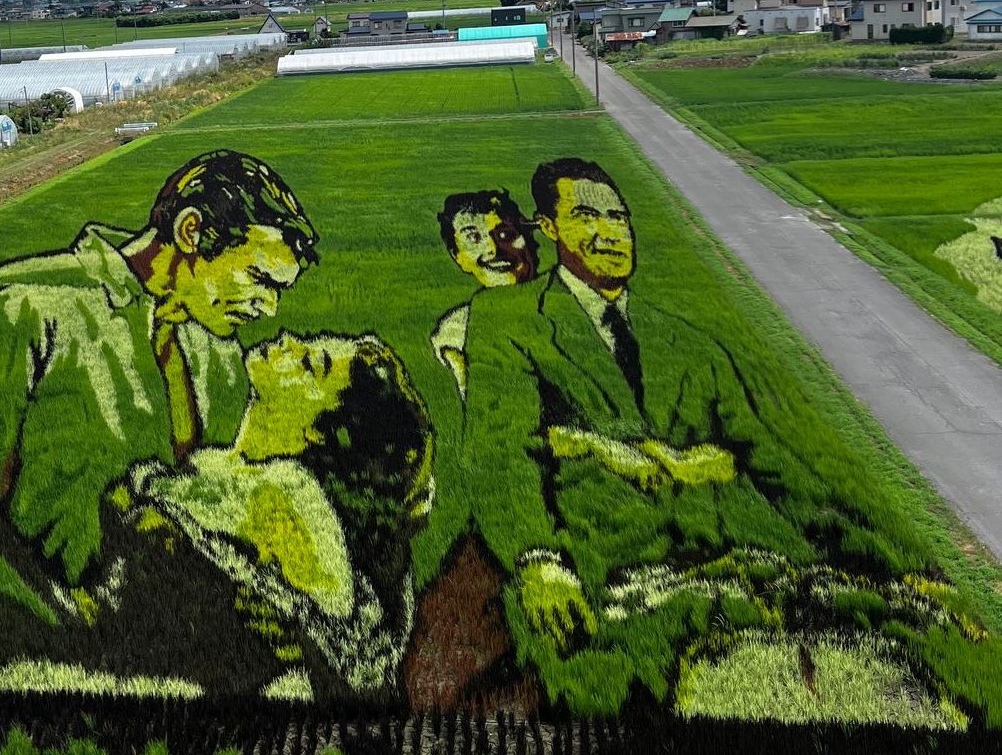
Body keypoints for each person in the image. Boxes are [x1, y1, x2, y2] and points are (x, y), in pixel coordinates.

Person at [457, 154, 924, 711]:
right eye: (588, 216)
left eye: (620, 218)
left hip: (726, 573)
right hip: (605, 579)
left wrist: (894, 564)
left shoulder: (690, 343)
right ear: (550, 228)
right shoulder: (509, 319)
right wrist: (540, 562)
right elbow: (499, 450)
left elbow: (782, 468)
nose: (611, 233)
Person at [0, 150, 318, 586]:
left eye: (279, 291)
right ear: (191, 232)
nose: (269, 307)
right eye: (260, 279)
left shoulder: (220, 358)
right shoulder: (22, 309)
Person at [100, 330, 435, 698]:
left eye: (310, 365)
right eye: (310, 341)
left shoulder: (289, 492)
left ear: (316, 431)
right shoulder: (217, 465)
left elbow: (158, 491)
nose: (289, 339)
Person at [431, 189, 539, 392]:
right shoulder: (457, 329)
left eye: (505, 234)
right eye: (473, 238)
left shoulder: (565, 297)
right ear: (458, 257)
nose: (493, 249)